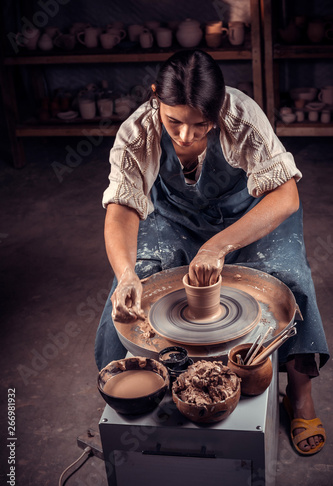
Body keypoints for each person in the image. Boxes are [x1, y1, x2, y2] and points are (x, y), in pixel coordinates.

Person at [95, 50, 329, 455]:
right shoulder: (138, 131)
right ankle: (149, 386)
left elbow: (286, 195)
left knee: (288, 278)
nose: (185, 136)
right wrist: (127, 273)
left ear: (218, 109)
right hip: (175, 214)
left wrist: (219, 245)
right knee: (136, 283)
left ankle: (300, 395)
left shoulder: (242, 116)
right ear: (156, 99)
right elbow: (121, 207)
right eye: (174, 122)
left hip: (252, 211)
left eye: (201, 124)